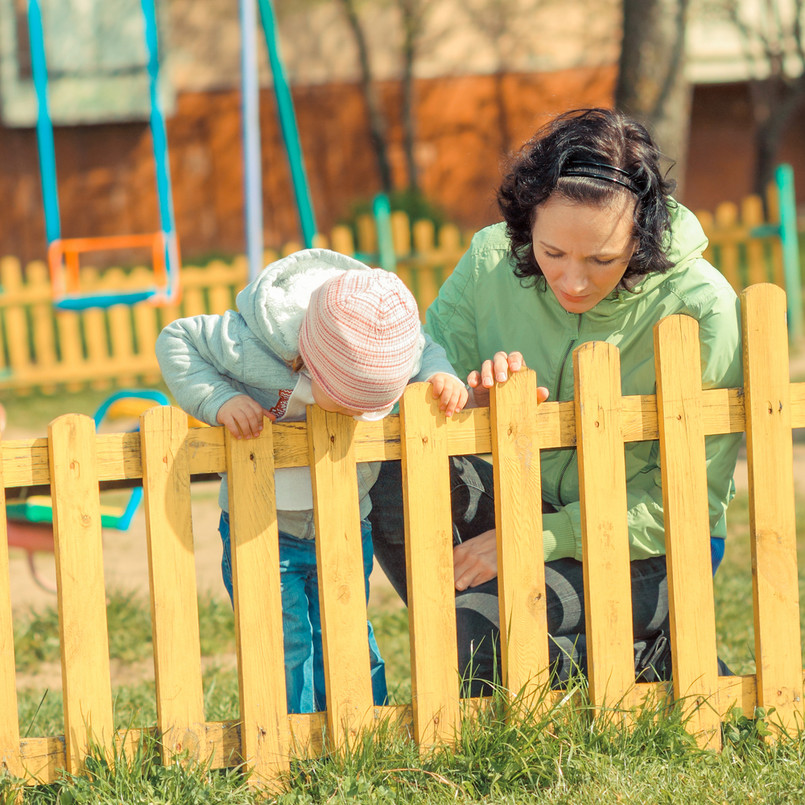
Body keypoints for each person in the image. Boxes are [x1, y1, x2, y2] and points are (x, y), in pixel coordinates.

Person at [368, 107, 742, 690]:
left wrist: (533, 540)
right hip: (524, 506)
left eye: (603, 260)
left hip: (648, 547)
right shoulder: (491, 258)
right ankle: (612, 655)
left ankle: (639, 654)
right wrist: (469, 402)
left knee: (482, 630)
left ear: (642, 235)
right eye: (552, 253)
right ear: (526, 223)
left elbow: (685, 507)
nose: (573, 281)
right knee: (389, 478)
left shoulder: (703, 308)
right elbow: (410, 388)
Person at [156, 248, 468, 713]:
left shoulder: (382, 334)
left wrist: (439, 375)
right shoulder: (250, 342)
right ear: (309, 361)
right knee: (284, 638)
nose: (357, 418)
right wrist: (219, 399)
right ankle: (289, 737)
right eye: (348, 405)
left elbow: (424, 348)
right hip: (263, 525)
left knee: (344, 626)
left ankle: (360, 728)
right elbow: (176, 339)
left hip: (345, 517)